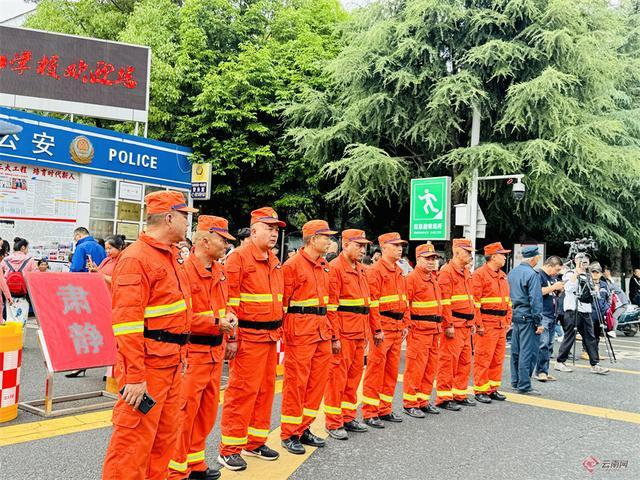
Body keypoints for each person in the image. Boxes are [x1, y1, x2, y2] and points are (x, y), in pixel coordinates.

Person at [102, 191, 197, 480]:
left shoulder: (170, 257)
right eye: (185, 217)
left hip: (169, 363)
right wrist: (134, 377)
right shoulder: (136, 259)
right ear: (169, 218)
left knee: (163, 440)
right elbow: (127, 325)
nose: (187, 224)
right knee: (132, 445)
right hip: (149, 367)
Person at [168, 216, 236, 480]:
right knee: (184, 414)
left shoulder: (220, 271)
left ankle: (195, 463)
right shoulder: (184, 271)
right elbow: (182, 317)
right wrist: (216, 322)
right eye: (223, 240)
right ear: (205, 241)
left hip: (214, 352)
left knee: (206, 412)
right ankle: (175, 470)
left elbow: (225, 304)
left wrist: (230, 319)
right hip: (193, 352)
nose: (227, 246)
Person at [217, 207, 285, 472]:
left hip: (269, 336)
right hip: (248, 338)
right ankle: (229, 449)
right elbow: (228, 303)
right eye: (269, 228)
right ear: (254, 230)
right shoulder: (239, 259)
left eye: (276, 229)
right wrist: (232, 338)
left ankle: (254, 441)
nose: (274, 234)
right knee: (242, 392)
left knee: (265, 391)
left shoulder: (272, 260)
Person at [280, 220, 336, 455]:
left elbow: (328, 303)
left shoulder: (323, 265)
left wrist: (332, 333)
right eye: (326, 237)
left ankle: (304, 428)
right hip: (300, 331)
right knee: (297, 383)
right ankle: (289, 433)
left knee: (316, 382)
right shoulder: (292, 266)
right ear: (313, 239)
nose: (330, 241)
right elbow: (283, 303)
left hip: (321, 330)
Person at [323, 229, 377, 440]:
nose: (363, 249)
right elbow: (332, 308)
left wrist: (371, 330)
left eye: (364, 246)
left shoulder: (362, 270)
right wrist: (335, 337)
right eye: (358, 245)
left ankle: (347, 416)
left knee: (353, 378)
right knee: (337, 378)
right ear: (345, 244)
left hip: (359, 332)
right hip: (344, 333)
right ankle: (333, 421)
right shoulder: (335, 268)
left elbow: (367, 304)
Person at [362, 232, 409, 428]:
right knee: (375, 370)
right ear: (383, 248)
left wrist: (405, 323)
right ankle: (369, 412)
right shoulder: (375, 271)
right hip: (383, 328)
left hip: (397, 328)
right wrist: (376, 329)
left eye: (401, 246)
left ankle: (384, 408)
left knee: (390, 371)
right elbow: (372, 304)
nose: (400, 248)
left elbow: (404, 300)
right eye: (395, 245)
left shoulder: (398, 271)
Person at [435, 238, 477, 411]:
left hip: (465, 324)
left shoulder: (466, 272)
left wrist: (472, 321)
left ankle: (459, 393)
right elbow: (444, 302)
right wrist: (448, 324)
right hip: (455, 324)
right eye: (467, 252)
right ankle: (444, 397)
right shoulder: (446, 272)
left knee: (464, 361)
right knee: (448, 361)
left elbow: (471, 299)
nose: (470, 255)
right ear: (457, 251)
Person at [402, 243, 443, 418]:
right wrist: (408, 327)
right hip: (419, 330)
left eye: (434, 258)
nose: (432, 262)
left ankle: (423, 400)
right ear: (418, 259)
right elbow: (406, 305)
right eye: (427, 258)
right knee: (416, 368)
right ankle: (410, 403)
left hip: (433, 330)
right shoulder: (412, 278)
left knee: (429, 367)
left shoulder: (432, 278)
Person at [554, 254, 609, 375]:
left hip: (586, 310)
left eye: (586, 261)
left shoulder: (588, 276)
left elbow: (593, 294)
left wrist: (595, 290)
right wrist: (576, 273)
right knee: (570, 336)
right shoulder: (569, 274)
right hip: (573, 309)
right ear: (576, 261)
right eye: (582, 261)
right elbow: (568, 288)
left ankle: (595, 364)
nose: (584, 263)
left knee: (590, 337)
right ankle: (560, 362)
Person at [471, 242, 512, 404]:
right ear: (493, 257)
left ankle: (492, 388)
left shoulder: (502, 275)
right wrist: (479, 324)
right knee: (483, 357)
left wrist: (508, 320)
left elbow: (508, 301)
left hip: (500, 324)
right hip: (487, 324)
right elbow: (475, 303)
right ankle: (480, 389)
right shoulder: (479, 275)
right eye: (502, 254)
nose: (505, 257)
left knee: (497, 358)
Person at [507, 245, 544, 395]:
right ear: (534, 258)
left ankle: (515, 381)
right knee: (528, 352)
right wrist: (539, 322)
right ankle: (524, 384)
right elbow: (535, 300)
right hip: (528, 316)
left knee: (516, 350)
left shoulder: (512, 273)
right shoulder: (532, 274)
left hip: (515, 314)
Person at [533, 256, 564, 382]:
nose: (556, 273)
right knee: (543, 344)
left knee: (550, 345)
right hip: (543, 314)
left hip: (553, 313)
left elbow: (553, 293)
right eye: (556, 270)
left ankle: (544, 370)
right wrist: (554, 287)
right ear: (550, 265)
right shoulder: (539, 275)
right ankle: (540, 371)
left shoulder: (552, 277)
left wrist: (559, 290)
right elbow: (537, 292)